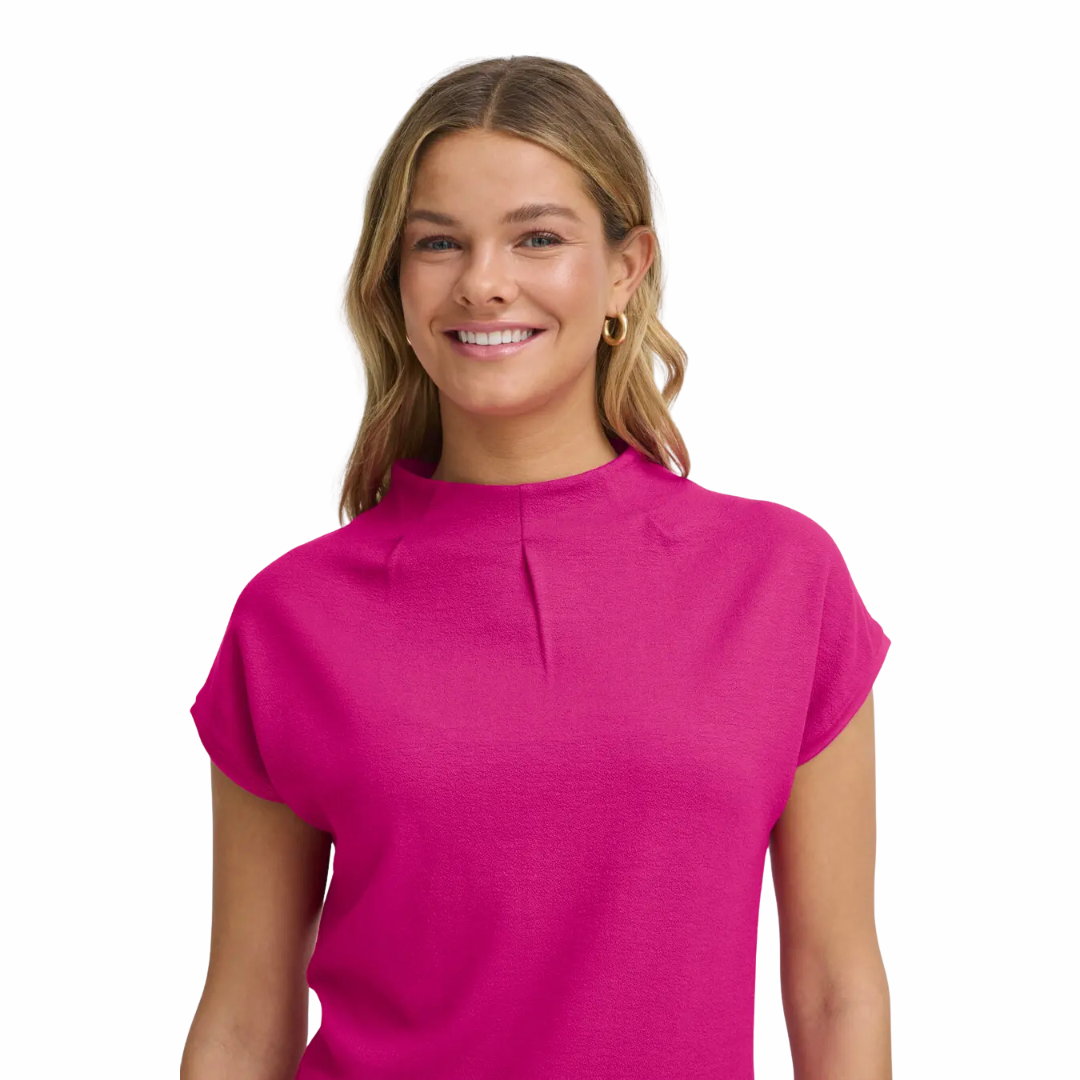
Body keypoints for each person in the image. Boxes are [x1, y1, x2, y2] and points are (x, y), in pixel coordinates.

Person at [181, 55, 892, 1080]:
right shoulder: (291, 617)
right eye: (438, 243)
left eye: (539, 238)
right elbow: (245, 1017)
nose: (483, 281)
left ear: (626, 269)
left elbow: (835, 986)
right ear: (394, 284)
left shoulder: (781, 582)